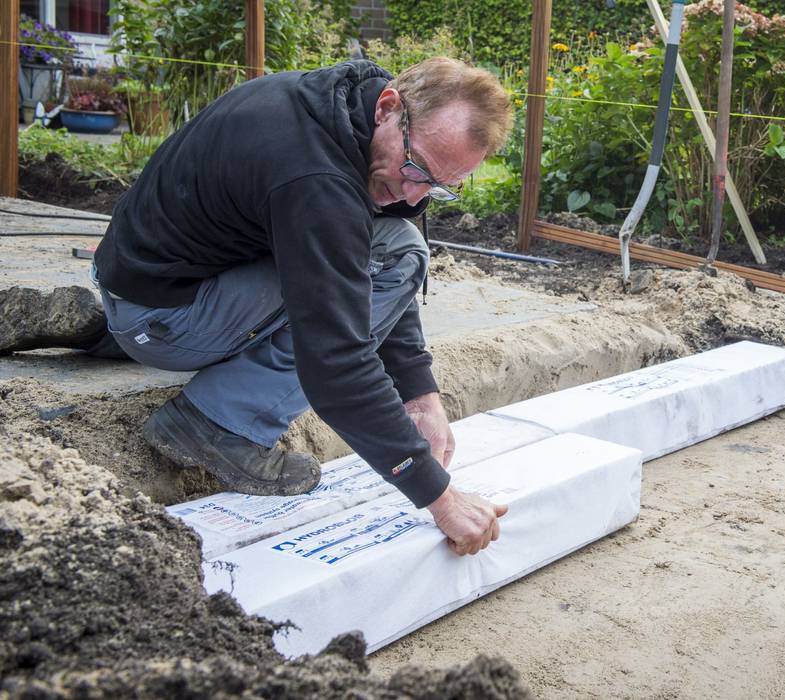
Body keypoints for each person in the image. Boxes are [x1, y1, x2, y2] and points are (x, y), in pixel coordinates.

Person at [0, 57, 512, 557]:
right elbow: (337, 361)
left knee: (384, 240)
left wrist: (420, 394)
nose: (412, 191)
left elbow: (365, 257)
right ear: (388, 107)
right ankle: (217, 423)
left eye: (439, 187)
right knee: (398, 251)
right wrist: (437, 495)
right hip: (162, 316)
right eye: (415, 166)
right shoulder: (317, 181)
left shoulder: (338, 103)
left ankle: (107, 332)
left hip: (147, 281)